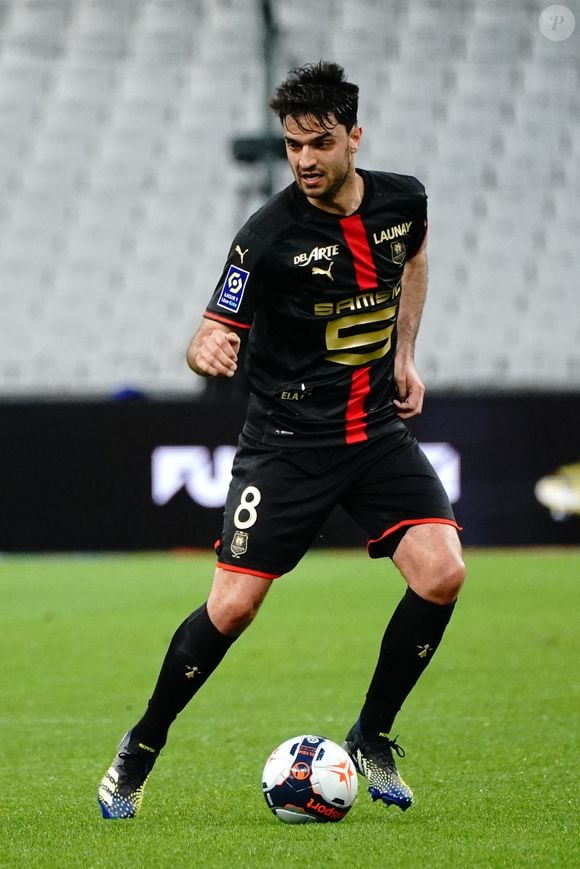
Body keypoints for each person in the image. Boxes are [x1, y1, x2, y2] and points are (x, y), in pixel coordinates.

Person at [98, 61, 465, 820]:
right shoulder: (267, 236)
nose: (303, 159)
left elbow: (416, 255)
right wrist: (204, 350)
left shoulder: (404, 202)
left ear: (353, 137)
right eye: (293, 143)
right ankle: (143, 743)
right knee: (231, 608)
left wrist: (404, 355)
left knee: (442, 572)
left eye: (319, 142)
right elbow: (211, 329)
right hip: (286, 443)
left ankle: (372, 732)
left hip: (373, 435)